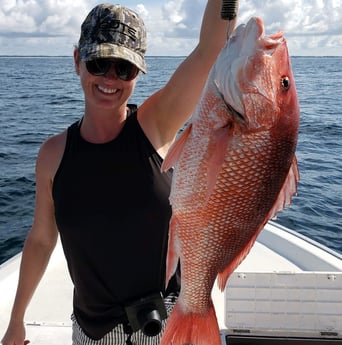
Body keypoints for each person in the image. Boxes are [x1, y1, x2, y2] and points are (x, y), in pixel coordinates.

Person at [1, 1, 238, 345]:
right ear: (76, 61)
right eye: (98, 63)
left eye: (124, 68)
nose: (110, 78)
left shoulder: (156, 125)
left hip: (169, 325)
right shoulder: (52, 155)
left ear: (138, 73)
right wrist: (16, 320)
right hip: (91, 333)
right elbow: (40, 239)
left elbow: (211, 49)